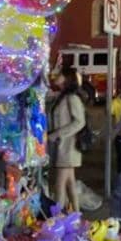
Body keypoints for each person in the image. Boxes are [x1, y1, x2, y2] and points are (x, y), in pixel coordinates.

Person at [47, 68, 87, 211]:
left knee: (60, 185)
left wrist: (57, 134)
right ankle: (76, 214)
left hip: (68, 146)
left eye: (60, 74)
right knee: (70, 183)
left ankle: (57, 218)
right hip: (64, 146)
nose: (55, 77)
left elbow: (79, 122)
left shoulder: (71, 98)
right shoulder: (62, 96)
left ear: (67, 78)